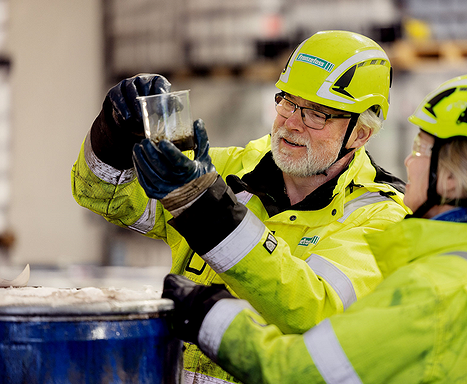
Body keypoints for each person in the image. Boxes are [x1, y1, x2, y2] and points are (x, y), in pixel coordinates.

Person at [159, 73, 467, 383]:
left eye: (422, 148)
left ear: (451, 181)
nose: (409, 162)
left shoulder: (429, 288)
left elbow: (296, 372)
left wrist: (207, 315)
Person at [72, 30, 408, 383]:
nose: (292, 123)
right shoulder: (234, 169)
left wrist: (204, 207)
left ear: (361, 134)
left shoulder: (382, 217)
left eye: (317, 114)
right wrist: (112, 133)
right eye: (288, 102)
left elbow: (315, 309)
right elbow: (103, 195)